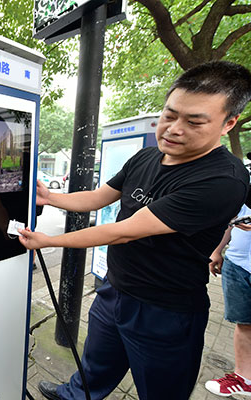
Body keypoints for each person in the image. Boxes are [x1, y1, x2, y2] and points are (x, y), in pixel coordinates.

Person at [18, 60, 251, 399]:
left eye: (194, 121)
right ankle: (74, 395)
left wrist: (49, 240)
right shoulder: (145, 157)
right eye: (170, 115)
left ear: (228, 124)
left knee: (161, 390)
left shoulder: (222, 180)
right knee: (95, 365)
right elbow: (99, 197)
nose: (173, 129)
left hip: (164, 310)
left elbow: (123, 231)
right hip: (115, 289)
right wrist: (50, 196)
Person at [204, 204, 251, 396]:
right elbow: (233, 219)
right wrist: (217, 250)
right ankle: (244, 378)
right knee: (244, 322)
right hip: (238, 263)